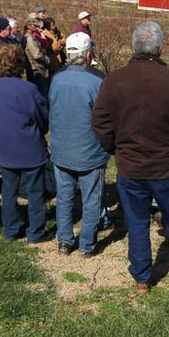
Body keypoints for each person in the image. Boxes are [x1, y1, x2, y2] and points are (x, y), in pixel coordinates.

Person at [91, 21, 169, 297]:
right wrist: (116, 149)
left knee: (140, 224)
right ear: (160, 48)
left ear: (134, 47)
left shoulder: (116, 80)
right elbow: (101, 122)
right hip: (158, 167)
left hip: (145, 167)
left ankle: (155, 279)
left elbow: (100, 122)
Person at [0, 43, 50, 243]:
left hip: (4, 146)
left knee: (9, 191)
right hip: (29, 146)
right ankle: (36, 231)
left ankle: (11, 230)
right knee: (36, 192)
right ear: (19, 63)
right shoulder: (28, 89)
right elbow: (43, 118)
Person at [50, 33, 109, 256]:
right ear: (87, 55)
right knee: (91, 199)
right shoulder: (97, 81)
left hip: (62, 148)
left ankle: (65, 241)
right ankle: (87, 244)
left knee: (64, 197)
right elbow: (105, 118)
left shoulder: (57, 78)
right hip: (89, 150)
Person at [23, 15, 52, 95]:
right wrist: (46, 59)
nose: (37, 26)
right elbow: (36, 55)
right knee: (42, 92)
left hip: (34, 67)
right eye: (35, 25)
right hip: (36, 68)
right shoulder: (29, 38)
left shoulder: (30, 37)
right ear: (29, 26)